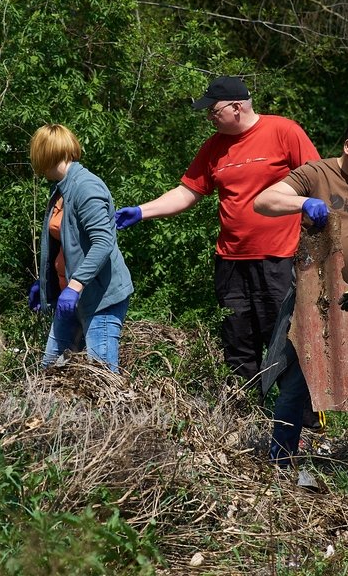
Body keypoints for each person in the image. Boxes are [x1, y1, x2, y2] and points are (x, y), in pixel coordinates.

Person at [115, 76, 320, 387]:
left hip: (280, 258)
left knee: (284, 342)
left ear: (236, 107)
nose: (209, 118)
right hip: (231, 261)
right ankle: (246, 420)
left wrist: (314, 215)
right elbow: (187, 192)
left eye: (213, 111)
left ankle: (302, 428)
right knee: (237, 343)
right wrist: (142, 211)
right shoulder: (213, 147)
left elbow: (316, 180)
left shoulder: (283, 131)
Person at [254, 116, 348, 470]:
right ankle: (281, 465)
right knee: (297, 383)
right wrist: (302, 204)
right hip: (315, 298)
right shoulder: (316, 174)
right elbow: (264, 201)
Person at [28, 124, 133, 372]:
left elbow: (103, 242)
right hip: (71, 296)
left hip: (99, 298)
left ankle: (116, 414)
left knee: (101, 376)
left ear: (43, 155)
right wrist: (46, 283)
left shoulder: (86, 188)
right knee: (51, 373)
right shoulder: (61, 189)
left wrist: (75, 286)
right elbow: (66, 242)